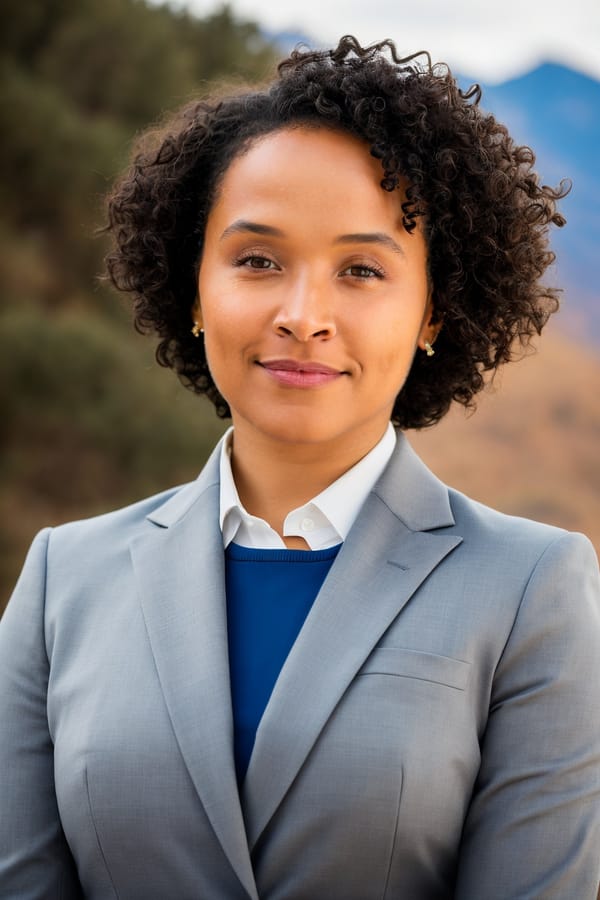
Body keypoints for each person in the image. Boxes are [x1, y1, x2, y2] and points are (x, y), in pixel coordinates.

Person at [1, 35, 599, 900]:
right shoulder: (65, 579)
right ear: (194, 287)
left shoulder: (529, 590)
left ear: (433, 311)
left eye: (361, 269)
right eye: (257, 260)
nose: (302, 314)